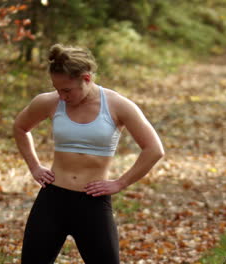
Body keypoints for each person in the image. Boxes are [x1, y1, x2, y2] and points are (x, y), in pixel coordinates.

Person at [13, 43, 164, 264]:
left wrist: (120, 183)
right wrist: (35, 166)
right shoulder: (49, 102)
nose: (62, 96)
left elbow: (154, 149)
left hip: (92, 204)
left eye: (67, 90)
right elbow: (20, 127)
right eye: (57, 89)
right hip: (52, 200)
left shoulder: (117, 105)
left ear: (86, 78)